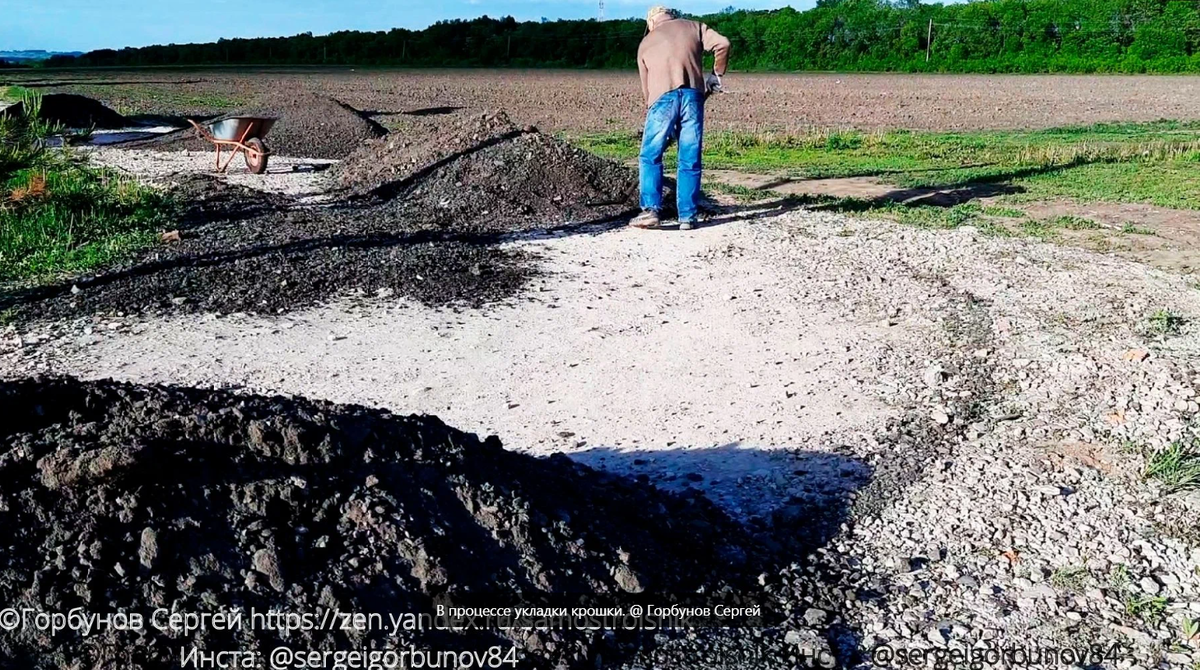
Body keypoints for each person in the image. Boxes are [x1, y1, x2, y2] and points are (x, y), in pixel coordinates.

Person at [630, 5, 730, 230]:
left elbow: (646, 89)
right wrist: (716, 76)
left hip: (661, 100)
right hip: (694, 96)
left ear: (651, 22)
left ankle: (650, 211)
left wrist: (654, 110)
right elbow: (723, 43)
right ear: (671, 16)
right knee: (689, 157)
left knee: (650, 156)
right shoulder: (695, 27)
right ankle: (687, 216)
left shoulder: (646, 41)